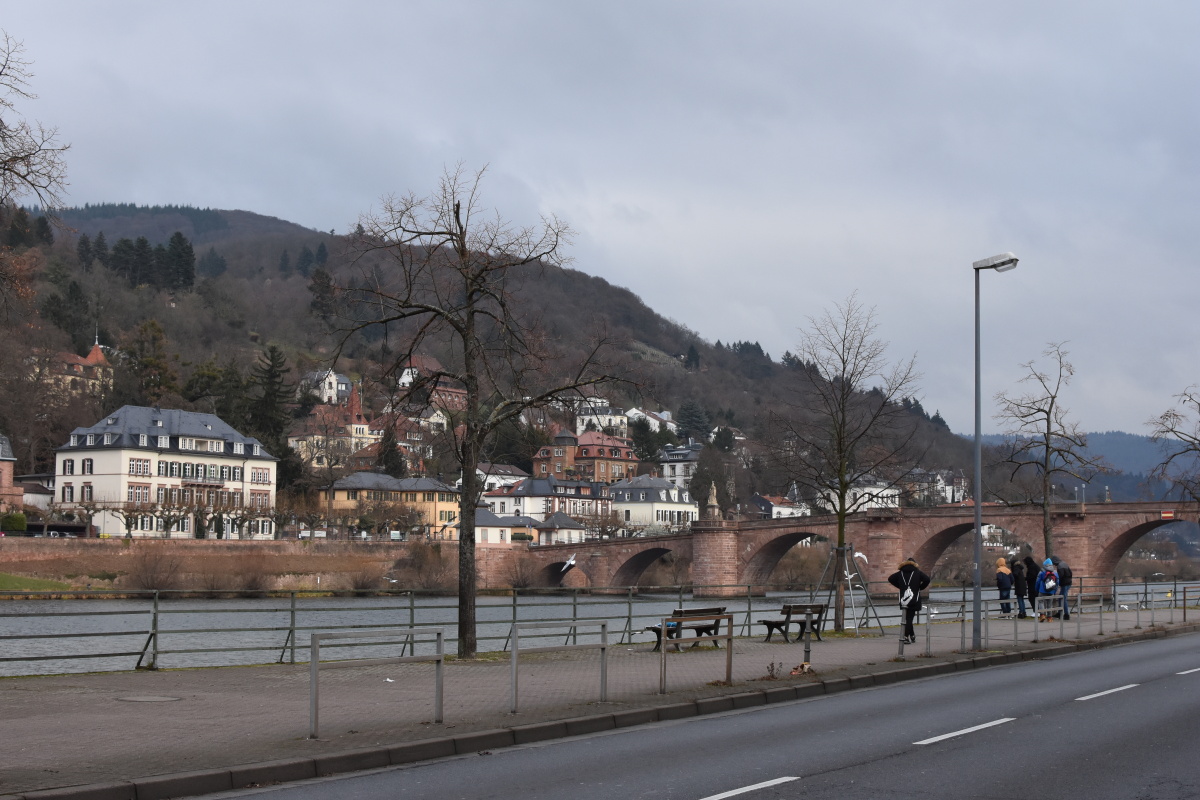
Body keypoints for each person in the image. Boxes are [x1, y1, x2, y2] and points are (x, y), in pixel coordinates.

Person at [888, 556, 931, 644]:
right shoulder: (917, 572)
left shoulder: (900, 573)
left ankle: (911, 635)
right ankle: (906, 637)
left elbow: (890, 578)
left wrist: (901, 587)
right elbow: (927, 579)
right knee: (909, 618)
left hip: (904, 598)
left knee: (907, 617)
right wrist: (920, 587)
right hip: (914, 598)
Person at [1051, 555, 1073, 620]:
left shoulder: (1060, 566)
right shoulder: (1064, 563)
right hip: (1068, 583)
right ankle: (1060, 612)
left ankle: (1066, 614)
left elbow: (1060, 576)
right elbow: (1070, 573)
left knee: (1063, 598)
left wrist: (1056, 581)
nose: (1054, 565)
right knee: (1062, 597)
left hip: (1065, 584)